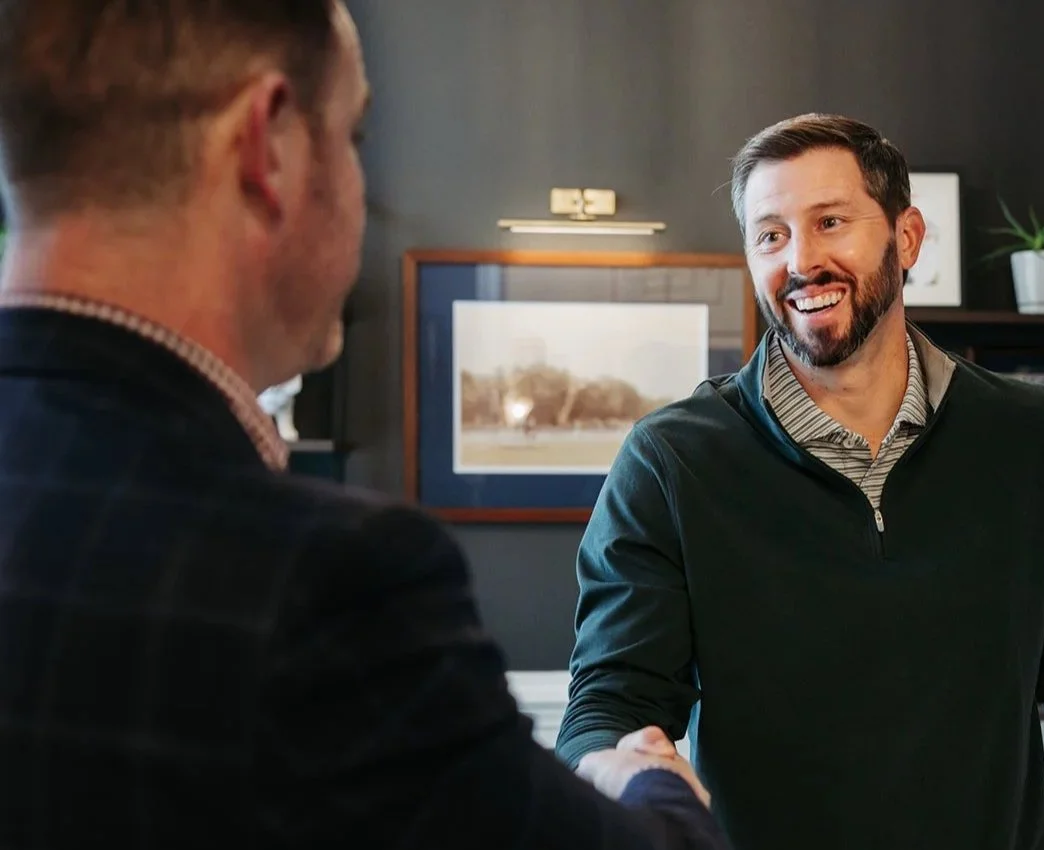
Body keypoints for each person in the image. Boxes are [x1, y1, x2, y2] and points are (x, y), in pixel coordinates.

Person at [0, 2, 729, 848]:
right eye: (353, 136)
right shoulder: (323, 578)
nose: (360, 186)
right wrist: (646, 779)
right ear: (266, 146)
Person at [556, 113, 1044, 850]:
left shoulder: (1032, 436)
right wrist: (619, 766)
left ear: (906, 237)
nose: (801, 260)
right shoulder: (669, 460)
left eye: (830, 222)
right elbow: (608, 705)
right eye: (771, 235)